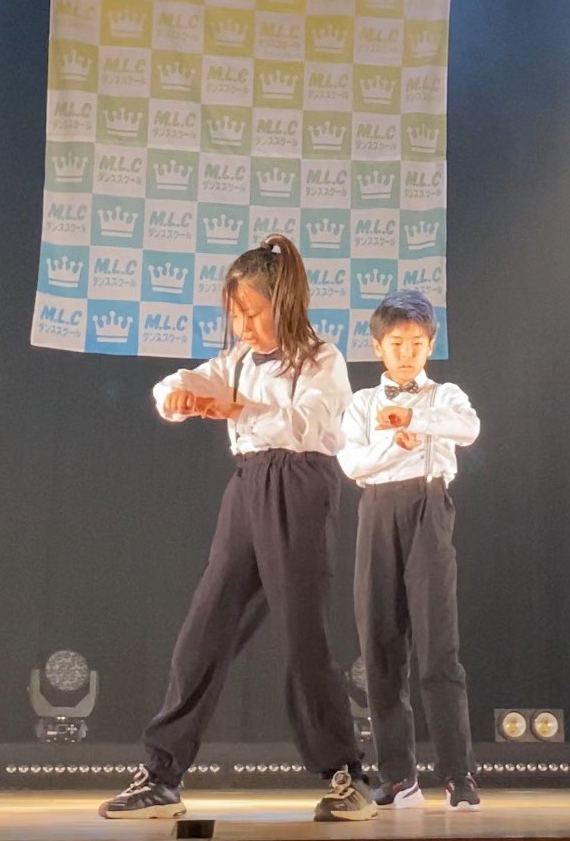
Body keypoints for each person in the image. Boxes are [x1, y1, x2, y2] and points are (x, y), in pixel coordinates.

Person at [99, 236, 376, 823]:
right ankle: (162, 772)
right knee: (205, 626)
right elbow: (177, 384)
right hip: (247, 485)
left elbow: (316, 424)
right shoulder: (237, 363)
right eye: (236, 315)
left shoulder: (320, 359)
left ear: (284, 302)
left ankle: (346, 774)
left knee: (303, 637)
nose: (244, 326)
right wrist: (179, 397)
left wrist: (241, 409)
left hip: (299, 483)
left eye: (253, 312)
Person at [337, 290, 481, 811]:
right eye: (396, 342)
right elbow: (352, 464)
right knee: (379, 644)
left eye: (416, 342)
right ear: (379, 347)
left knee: (438, 644)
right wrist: (391, 442)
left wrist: (413, 422)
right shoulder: (361, 403)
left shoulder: (445, 395)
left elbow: (469, 429)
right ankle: (398, 775)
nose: (406, 352)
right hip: (377, 509)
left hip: (428, 505)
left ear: (430, 345)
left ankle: (458, 775)